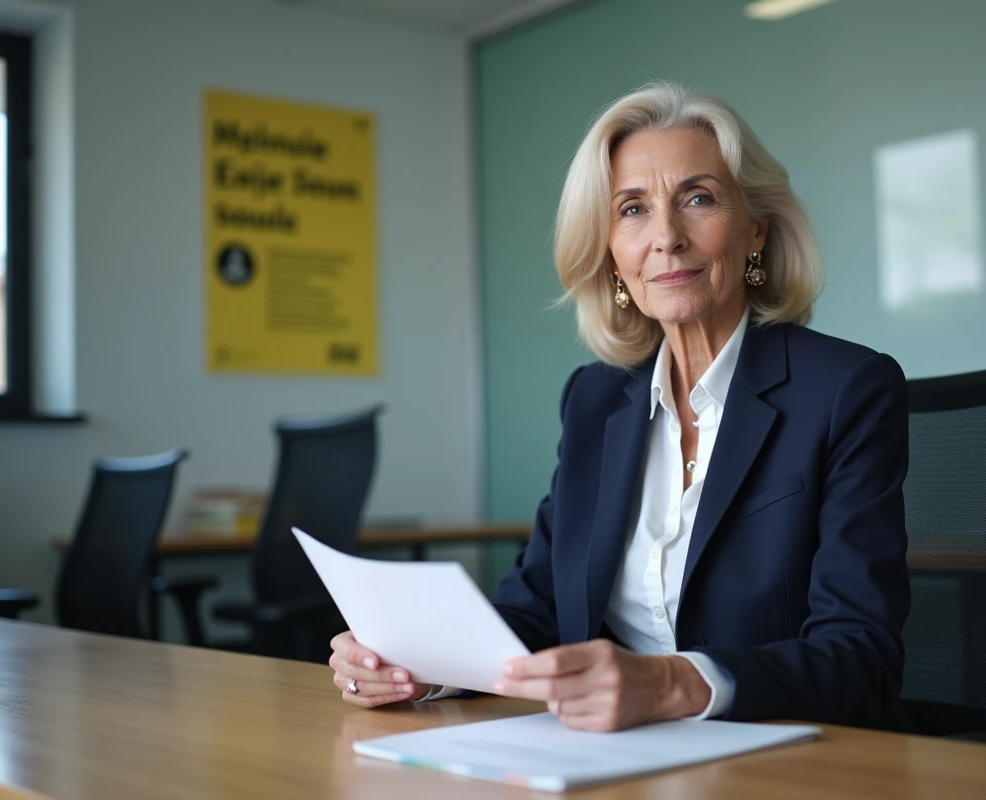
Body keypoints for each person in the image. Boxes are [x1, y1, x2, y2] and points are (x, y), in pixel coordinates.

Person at [330, 81, 910, 733]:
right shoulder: (595, 401)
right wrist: (417, 664)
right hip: (610, 760)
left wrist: (672, 684)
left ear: (755, 232)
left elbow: (861, 659)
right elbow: (537, 609)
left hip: (777, 763)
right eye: (632, 209)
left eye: (698, 198)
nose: (666, 236)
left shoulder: (846, 389)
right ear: (611, 255)